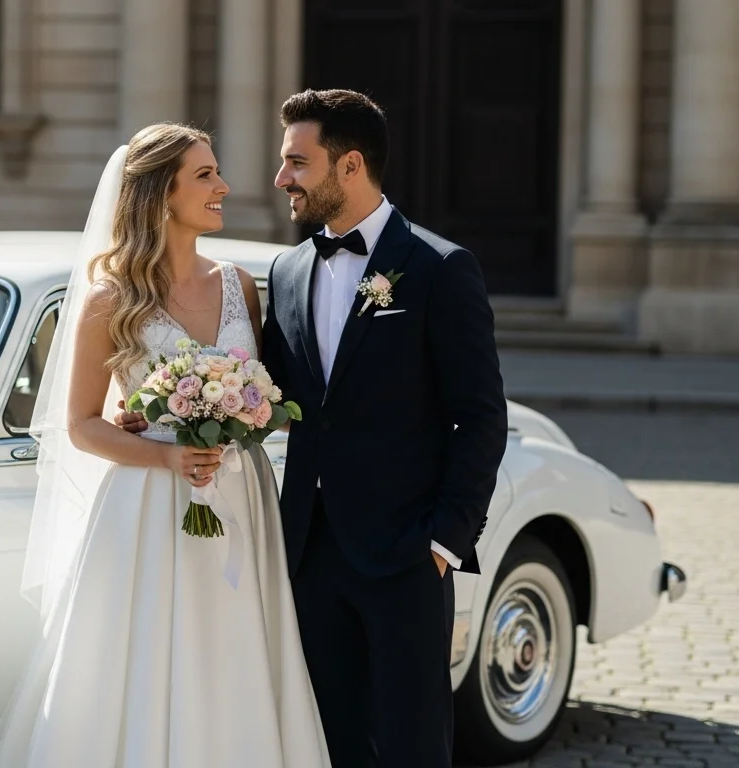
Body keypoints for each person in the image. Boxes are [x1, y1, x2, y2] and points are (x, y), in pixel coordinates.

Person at [121, 88, 508, 767]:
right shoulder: (289, 270)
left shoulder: (440, 269)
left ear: (349, 165)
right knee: (326, 742)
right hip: (306, 554)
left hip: (407, 555)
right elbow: (269, 396)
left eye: (297, 162)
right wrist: (162, 410)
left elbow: (480, 417)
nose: (280, 180)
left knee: (414, 747)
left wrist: (445, 542)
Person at [0, 123, 330, 767]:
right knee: (148, 657)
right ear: (158, 194)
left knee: (235, 648)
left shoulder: (239, 284)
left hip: (239, 493)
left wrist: (252, 416)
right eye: (205, 176)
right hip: (148, 507)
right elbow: (82, 422)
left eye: (218, 172)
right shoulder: (110, 297)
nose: (224, 186)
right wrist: (168, 454)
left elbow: (265, 394)